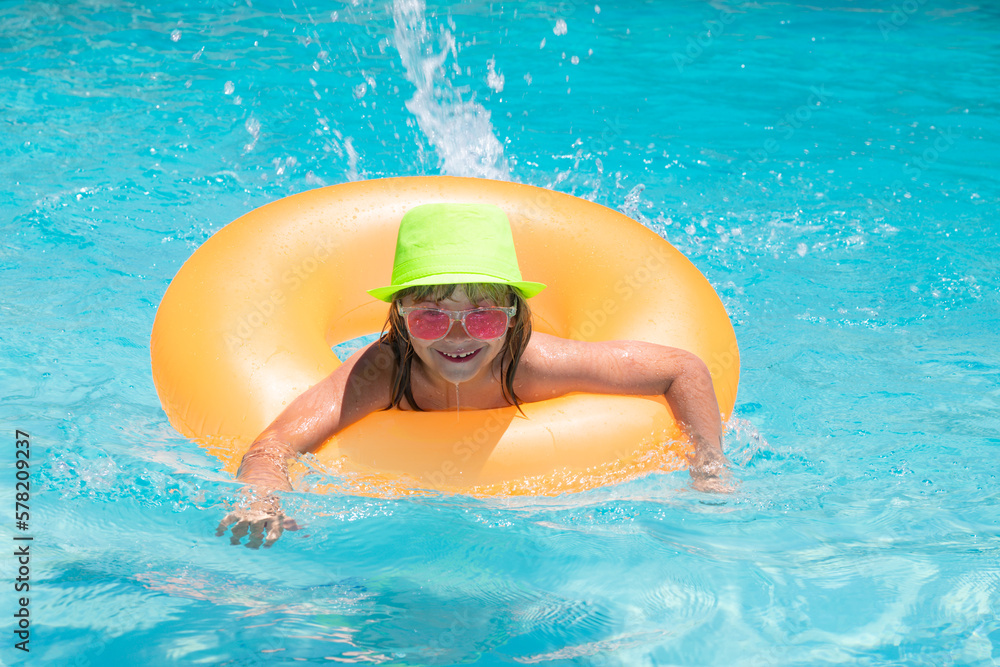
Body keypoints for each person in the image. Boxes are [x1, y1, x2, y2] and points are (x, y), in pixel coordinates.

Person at [217, 203, 730, 548]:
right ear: (399, 319)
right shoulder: (382, 371)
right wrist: (261, 500)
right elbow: (273, 447)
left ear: (513, 317)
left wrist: (709, 472)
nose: (458, 336)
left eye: (482, 315)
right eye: (431, 315)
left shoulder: (534, 363)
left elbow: (681, 369)